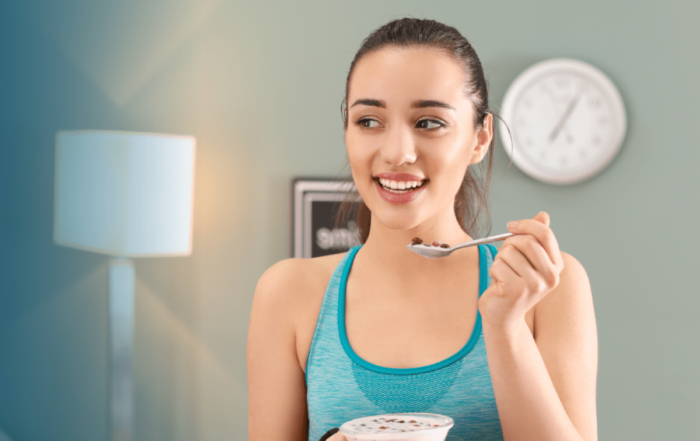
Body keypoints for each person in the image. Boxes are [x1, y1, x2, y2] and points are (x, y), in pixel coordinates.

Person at [247, 18, 597, 441]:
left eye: (429, 122)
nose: (396, 152)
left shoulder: (549, 290)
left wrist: (505, 326)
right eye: (369, 121)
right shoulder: (288, 293)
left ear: (480, 138)